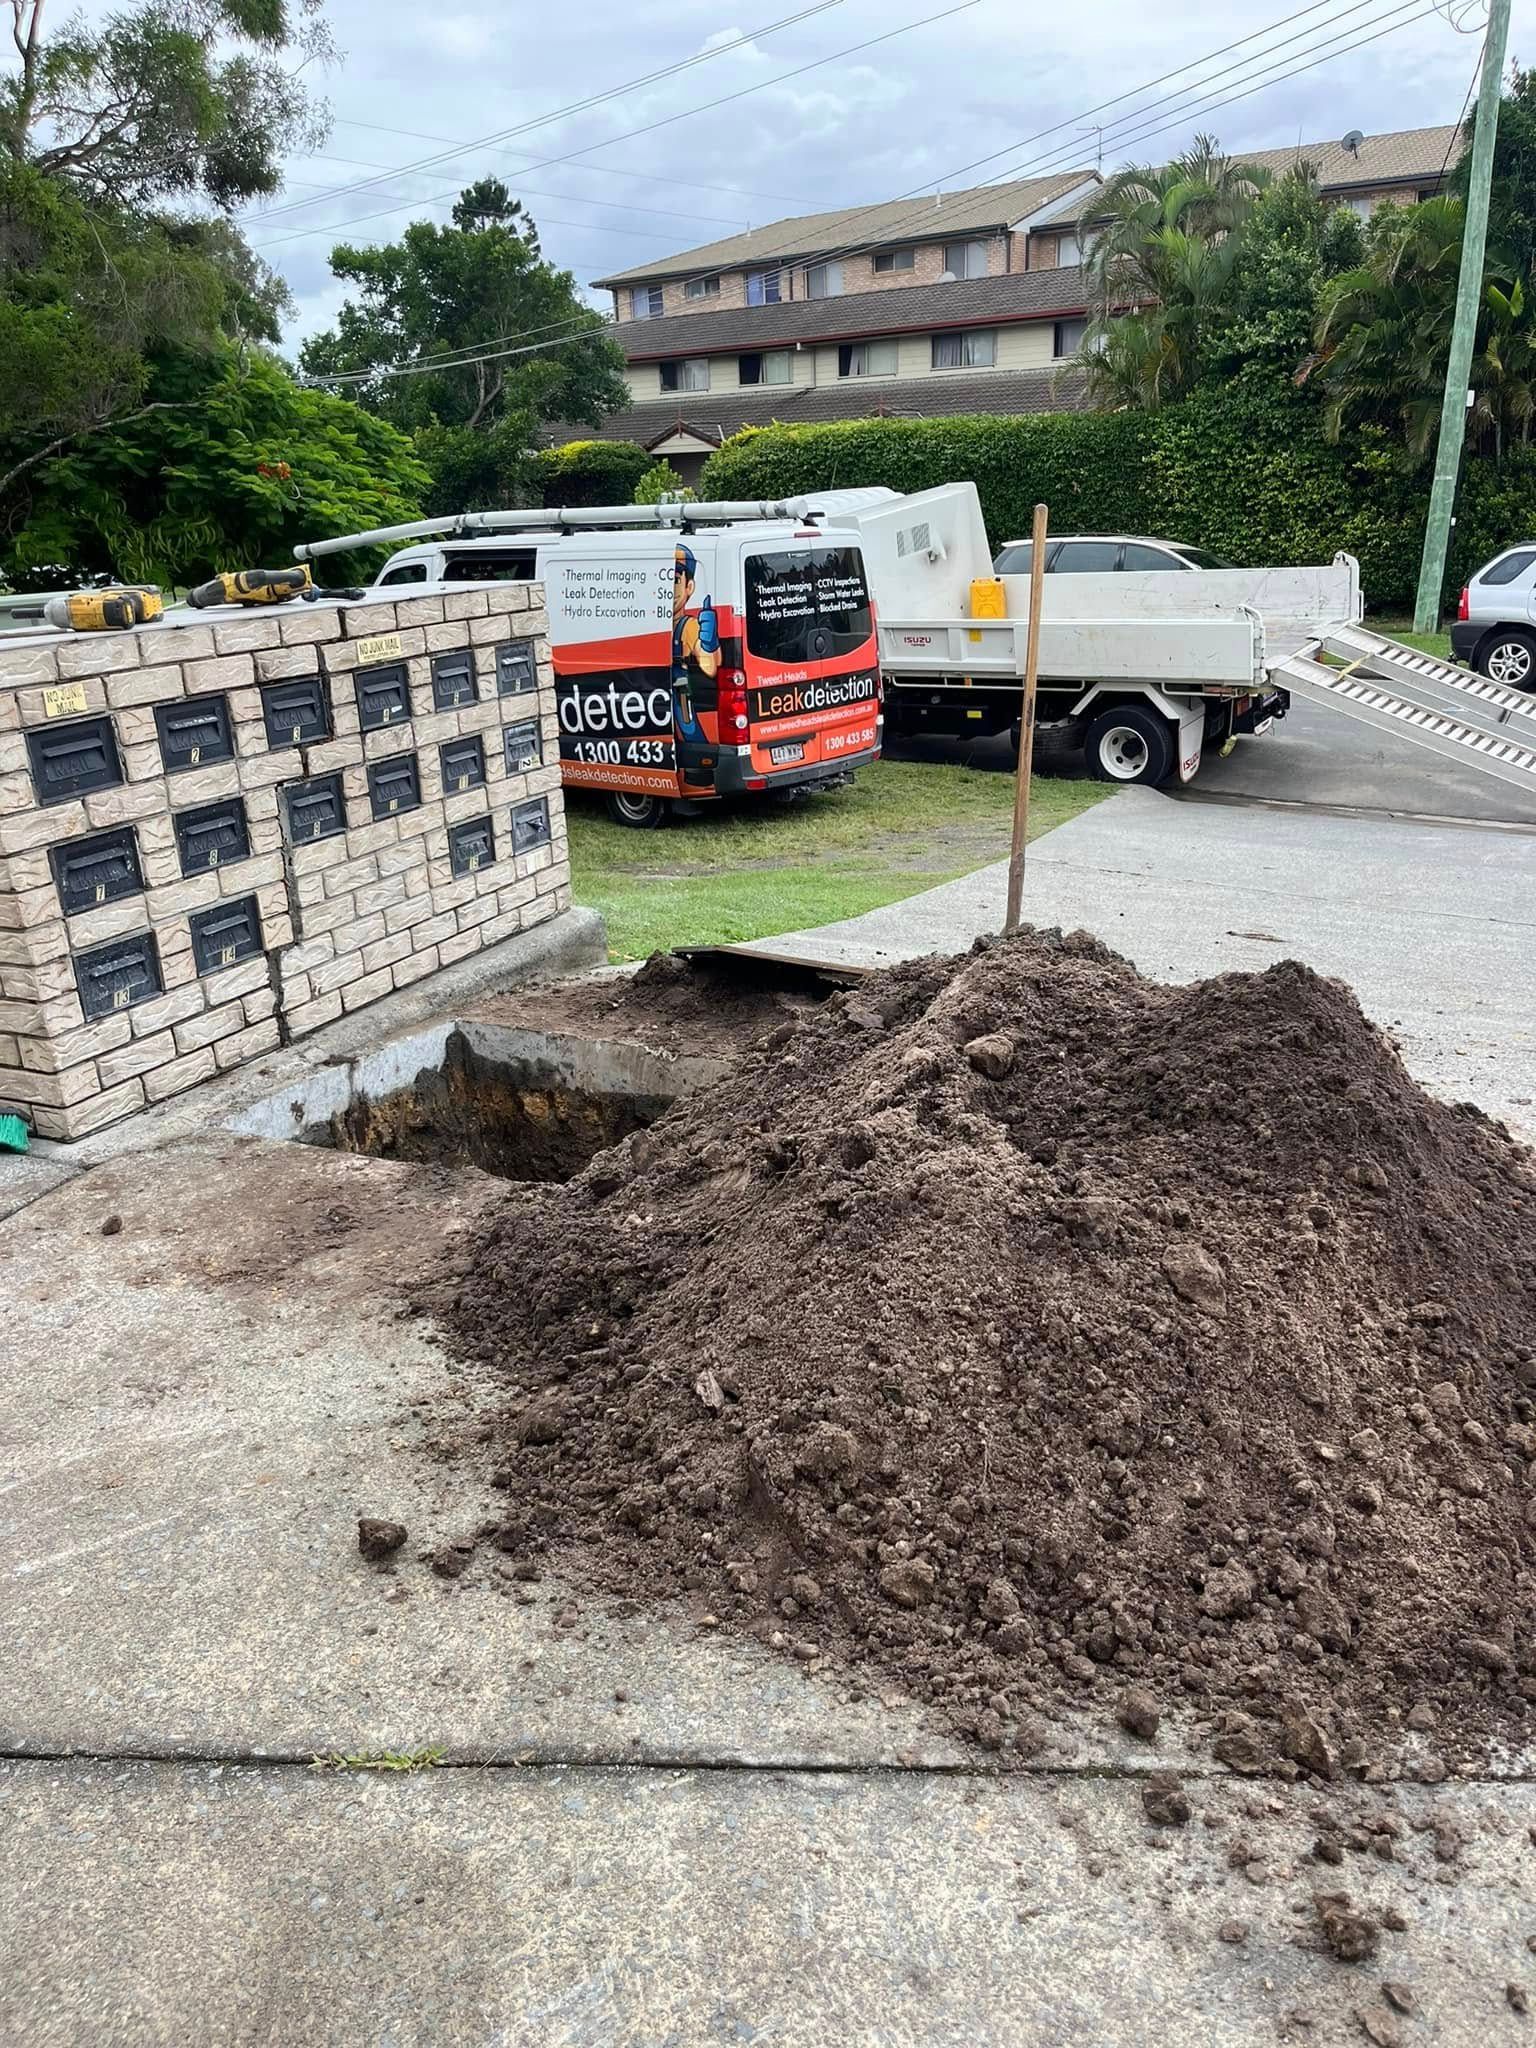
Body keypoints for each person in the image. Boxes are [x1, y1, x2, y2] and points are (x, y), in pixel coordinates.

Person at [671, 543, 719, 743]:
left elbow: (710, 667)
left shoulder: (688, 627)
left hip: (681, 700)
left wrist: (709, 644)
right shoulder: (648, 628)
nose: (667, 588)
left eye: (674, 579)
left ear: (689, 587)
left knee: (691, 737)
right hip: (656, 700)